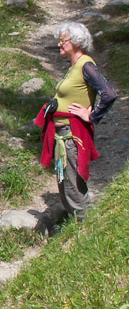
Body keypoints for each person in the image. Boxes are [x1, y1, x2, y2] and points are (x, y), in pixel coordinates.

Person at [35, 22, 116, 220]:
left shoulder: (85, 65)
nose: (59, 45)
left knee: (72, 184)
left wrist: (92, 115)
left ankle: (87, 226)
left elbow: (109, 94)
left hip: (72, 136)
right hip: (63, 135)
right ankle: (78, 224)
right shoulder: (74, 67)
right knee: (65, 183)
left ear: (77, 42)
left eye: (63, 41)